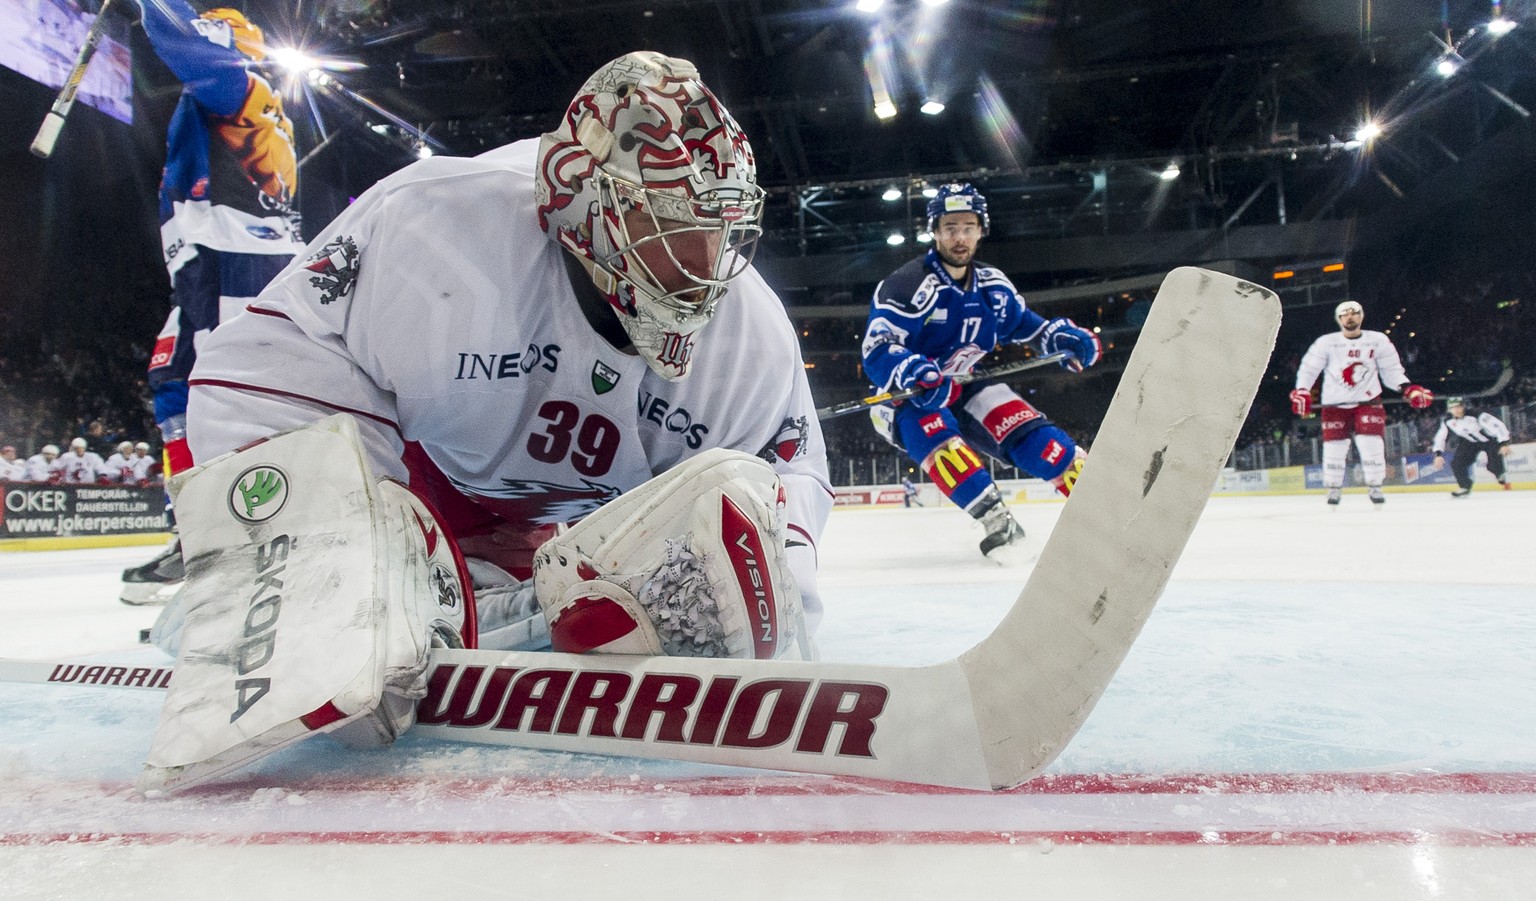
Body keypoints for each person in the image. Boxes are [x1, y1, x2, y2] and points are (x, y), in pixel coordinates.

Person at [137, 51, 832, 791]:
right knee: (338, 625)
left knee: (730, 524)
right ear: (576, 195)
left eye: (718, 226)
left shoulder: (752, 332)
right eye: (661, 221)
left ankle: (501, 597)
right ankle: (259, 603)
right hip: (422, 475)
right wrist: (322, 558)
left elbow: (787, 476)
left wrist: (783, 623)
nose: (701, 263)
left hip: (575, 522)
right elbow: (269, 363)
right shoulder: (433, 224)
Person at [118, 0, 303, 603]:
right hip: (207, 259)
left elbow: (175, 37)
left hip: (237, 263)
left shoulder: (239, 88)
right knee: (173, 384)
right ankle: (197, 533)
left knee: (223, 399)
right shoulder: (221, 99)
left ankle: (236, 543)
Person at [859, 183, 1101, 555]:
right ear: (935, 231)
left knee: (1027, 431)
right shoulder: (907, 286)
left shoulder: (993, 287)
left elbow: (1027, 326)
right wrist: (912, 371)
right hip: (909, 396)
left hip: (964, 383)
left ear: (981, 230)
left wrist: (1059, 338)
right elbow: (876, 350)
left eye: (968, 227)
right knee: (936, 434)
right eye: (951, 228)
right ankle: (995, 520)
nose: (960, 237)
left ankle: (1099, 500)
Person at [1290, 300, 1434, 505]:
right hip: (1334, 404)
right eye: (1345, 314)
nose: (1350, 317)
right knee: (1334, 448)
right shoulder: (1326, 342)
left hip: (1368, 400)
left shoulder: (1378, 340)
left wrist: (1407, 388)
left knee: (1371, 444)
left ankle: (1375, 486)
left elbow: (1391, 370)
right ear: (1338, 319)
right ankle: (1333, 488)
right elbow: (1309, 368)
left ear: (1361, 316)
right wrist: (1302, 390)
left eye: (1354, 312)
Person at [1432, 397, 1512, 496]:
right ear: (1449, 409)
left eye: (1458, 407)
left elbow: (1498, 426)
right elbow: (1440, 437)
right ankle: (1464, 486)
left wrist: (1504, 443)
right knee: (1457, 463)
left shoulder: (1477, 415)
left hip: (1489, 441)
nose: (1456, 410)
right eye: (1452, 408)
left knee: (1492, 466)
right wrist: (1438, 454)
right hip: (1469, 442)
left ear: (1463, 406)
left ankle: (1499, 474)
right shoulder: (1448, 421)